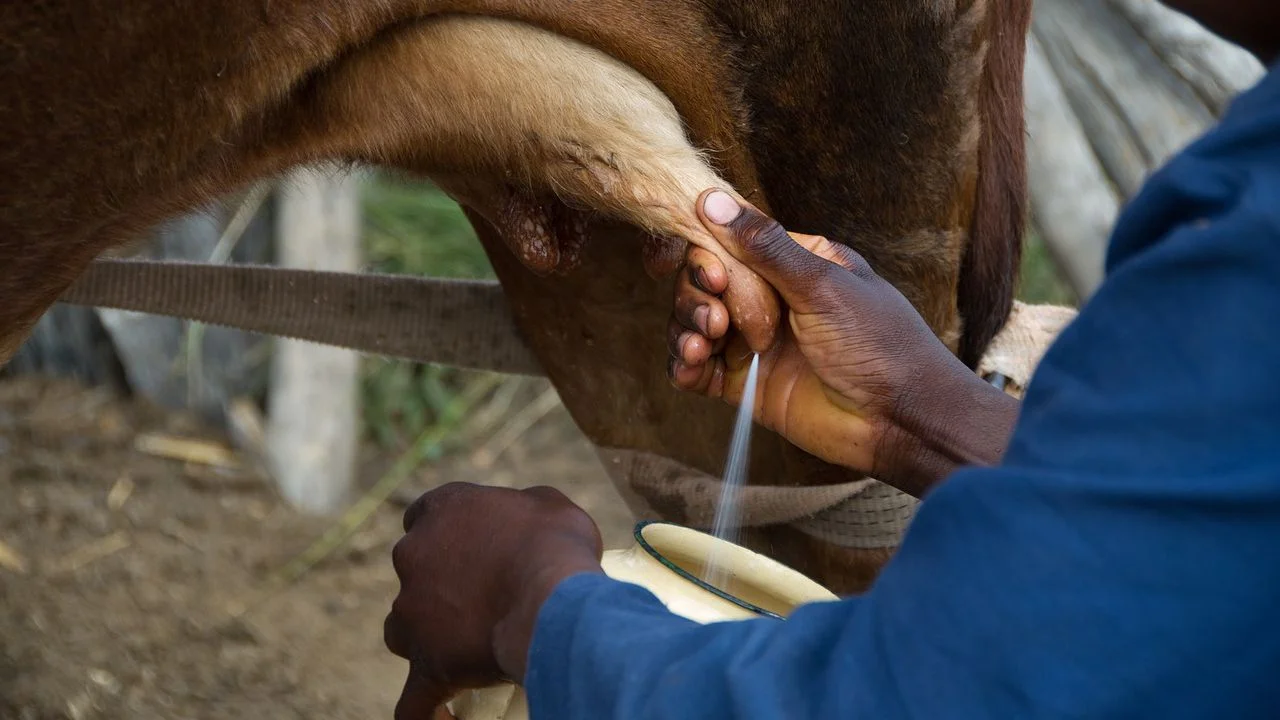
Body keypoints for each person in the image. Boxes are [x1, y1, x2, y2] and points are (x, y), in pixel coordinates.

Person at [381, 3, 1280, 717]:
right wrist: (923, 414)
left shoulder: (1253, 245)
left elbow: (937, 697)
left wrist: (531, 604)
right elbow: (1226, 544)